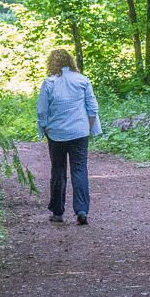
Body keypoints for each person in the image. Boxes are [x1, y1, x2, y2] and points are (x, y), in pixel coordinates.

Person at [36, 48, 101, 225]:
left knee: (58, 171)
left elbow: (42, 110)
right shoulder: (82, 80)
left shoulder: (49, 83)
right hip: (79, 132)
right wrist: (88, 128)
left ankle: (57, 212)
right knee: (79, 170)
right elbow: (92, 107)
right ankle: (82, 211)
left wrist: (45, 129)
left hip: (56, 133)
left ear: (51, 64)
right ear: (71, 62)